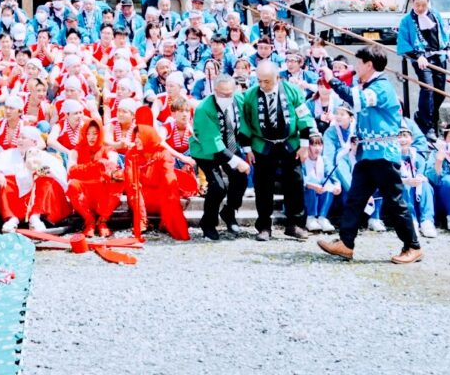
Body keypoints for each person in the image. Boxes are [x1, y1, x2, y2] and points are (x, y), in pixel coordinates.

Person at [318, 45, 423, 265]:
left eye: (358, 63)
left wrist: (333, 80)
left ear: (369, 64)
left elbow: (356, 102)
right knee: (355, 198)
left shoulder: (382, 87)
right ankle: (346, 243)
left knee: (395, 202)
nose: (356, 67)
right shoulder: (367, 84)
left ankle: (412, 246)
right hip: (368, 153)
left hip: (384, 154)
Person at [237, 61, 313, 241]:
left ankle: (295, 224)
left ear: (277, 78)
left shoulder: (293, 91)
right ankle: (264, 226)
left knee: (295, 183)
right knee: (263, 186)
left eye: (267, 81)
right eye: (259, 81)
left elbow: (304, 117)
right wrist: (247, 148)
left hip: (290, 144)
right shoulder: (250, 96)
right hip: (262, 145)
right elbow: (244, 122)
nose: (263, 85)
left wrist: (303, 146)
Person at [190, 75, 251, 239]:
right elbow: (212, 142)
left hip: (230, 145)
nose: (226, 97)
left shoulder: (238, 99)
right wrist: (237, 161)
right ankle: (208, 223)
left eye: (229, 94)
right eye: (222, 94)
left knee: (241, 178)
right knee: (218, 187)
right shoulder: (204, 108)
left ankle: (229, 211)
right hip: (206, 150)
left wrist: (247, 149)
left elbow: (243, 124)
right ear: (215, 91)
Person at [396, 0, 450, 142]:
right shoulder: (407, 20)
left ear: (428, 3)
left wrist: (448, 50)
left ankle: (425, 117)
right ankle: (427, 125)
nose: (421, 8)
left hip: (439, 55)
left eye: (423, 5)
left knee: (440, 92)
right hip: (421, 58)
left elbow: (443, 34)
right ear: (412, 3)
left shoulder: (435, 14)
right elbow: (403, 42)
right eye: (417, 5)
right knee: (428, 88)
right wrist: (418, 56)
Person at [0, 127, 69, 233]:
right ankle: (12, 218)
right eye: (18, 137)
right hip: (17, 195)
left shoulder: (44, 155)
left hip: (37, 194)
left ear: (33, 141)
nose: (19, 140)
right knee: (5, 183)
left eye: (23, 138)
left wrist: (37, 170)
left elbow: (56, 173)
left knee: (47, 182)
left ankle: (35, 217)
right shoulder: (9, 153)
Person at [126, 125, 190, 241]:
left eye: (140, 137)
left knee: (169, 187)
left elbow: (169, 178)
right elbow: (132, 182)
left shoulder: (163, 153)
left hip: (160, 196)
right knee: (132, 185)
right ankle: (142, 221)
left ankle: (167, 221)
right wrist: (140, 216)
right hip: (140, 197)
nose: (136, 140)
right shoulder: (131, 153)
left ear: (148, 138)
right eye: (135, 137)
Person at [65, 117, 121, 238]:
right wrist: (94, 167)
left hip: (102, 191)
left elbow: (113, 164)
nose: (91, 137)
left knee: (118, 180)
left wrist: (104, 165)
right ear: (83, 134)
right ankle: (89, 221)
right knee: (72, 184)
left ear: (100, 134)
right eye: (88, 133)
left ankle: (102, 221)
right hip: (85, 192)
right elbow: (71, 170)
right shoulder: (76, 151)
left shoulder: (108, 149)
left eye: (95, 133)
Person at [397, 128, 436, 238]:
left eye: (405, 136)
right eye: (399, 137)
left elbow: (422, 172)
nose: (402, 139)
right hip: (401, 185)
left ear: (412, 139)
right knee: (405, 187)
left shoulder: (417, 156)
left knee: (426, 186)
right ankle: (411, 220)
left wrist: (419, 178)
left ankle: (427, 221)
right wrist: (406, 181)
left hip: (417, 185)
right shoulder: (391, 156)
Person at [301, 133, 341, 233]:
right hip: (305, 195)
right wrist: (312, 185)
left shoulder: (323, 159)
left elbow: (331, 175)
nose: (317, 148)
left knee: (328, 184)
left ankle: (322, 217)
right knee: (312, 183)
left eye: (319, 145)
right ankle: (310, 217)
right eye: (314, 145)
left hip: (320, 192)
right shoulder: (302, 159)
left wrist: (337, 184)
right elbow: (301, 180)